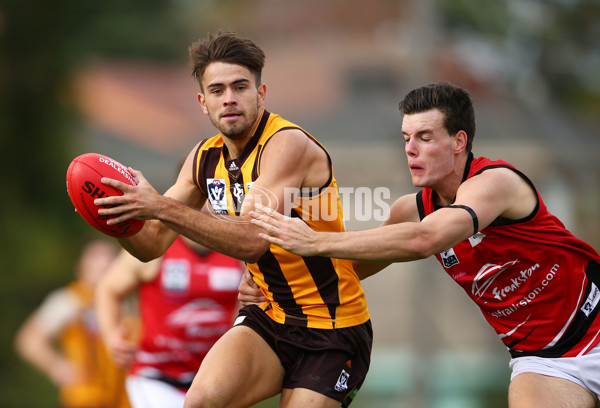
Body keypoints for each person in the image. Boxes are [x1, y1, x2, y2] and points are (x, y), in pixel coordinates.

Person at [247, 82, 600, 408]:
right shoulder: (410, 210)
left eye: (425, 138)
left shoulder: (495, 183)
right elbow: (352, 270)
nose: (410, 150)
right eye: (406, 138)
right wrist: (277, 288)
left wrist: (314, 240)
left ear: (459, 141)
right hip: (542, 360)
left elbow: (426, 238)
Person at [93, 31, 372, 408]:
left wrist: (157, 205)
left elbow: (253, 239)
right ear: (202, 102)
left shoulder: (285, 144)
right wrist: (116, 218)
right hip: (269, 317)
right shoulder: (202, 158)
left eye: (240, 87)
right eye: (217, 90)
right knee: (199, 402)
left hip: (333, 327)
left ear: (260, 94)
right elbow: (152, 245)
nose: (229, 99)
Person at [96, 236, 244, 408]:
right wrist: (111, 336)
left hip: (214, 380)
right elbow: (108, 289)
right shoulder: (155, 243)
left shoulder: (239, 248)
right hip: (156, 376)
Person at [14, 239, 131, 408]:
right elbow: (29, 340)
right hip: (84, 399)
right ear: (81, 266)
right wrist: (57, 367)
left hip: (123, 400)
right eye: (96, 259)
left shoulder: (127, 304)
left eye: (109, 259)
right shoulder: (69, 301)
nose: (103, 265)